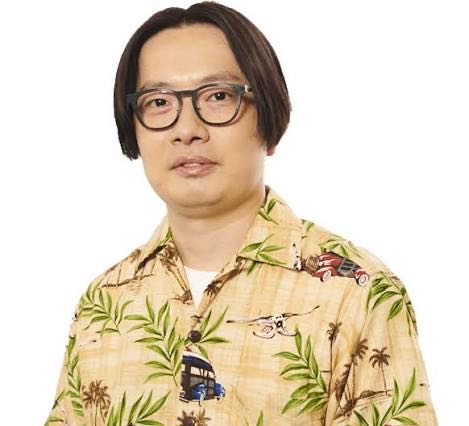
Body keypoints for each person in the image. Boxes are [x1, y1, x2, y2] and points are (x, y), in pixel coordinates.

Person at [44, 2, 438, 425]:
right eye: (158, 102)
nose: (187, 129)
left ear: (269, 118)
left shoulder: (356, 292)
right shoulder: (104, 301)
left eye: (218, 97)